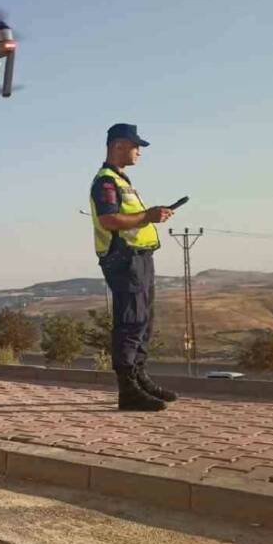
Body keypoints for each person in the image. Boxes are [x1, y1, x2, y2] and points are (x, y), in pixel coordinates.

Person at [89, 124, 178, 411]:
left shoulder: (121, 180)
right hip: (124, 259)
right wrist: (148, 216)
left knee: (144, 322)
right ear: (117, 146)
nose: (139, 151)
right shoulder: (105, 181)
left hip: (139, 259)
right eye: (135, 145)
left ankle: (139, 378)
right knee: (130, 322)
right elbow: (109, 220)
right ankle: (128, 390)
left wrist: (152, 216)